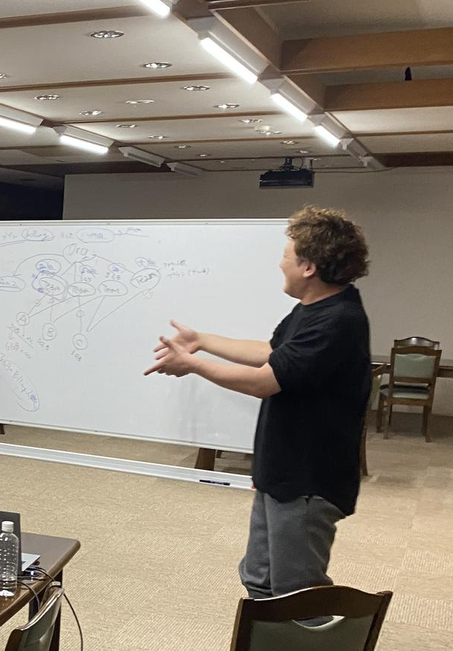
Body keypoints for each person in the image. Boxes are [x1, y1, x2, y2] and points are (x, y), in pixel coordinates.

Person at [145, 205, 372, 599]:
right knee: (260, 580)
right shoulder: (311, 310)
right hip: (281, 472)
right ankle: (268, 641)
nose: (280, 264)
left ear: (308, 267)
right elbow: (271, 352)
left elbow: (263, 382)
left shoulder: (338, 319)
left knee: (295, 595)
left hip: (308, 480)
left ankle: (313, 642)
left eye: (286, 256)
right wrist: (201, 340)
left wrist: (192, 364)